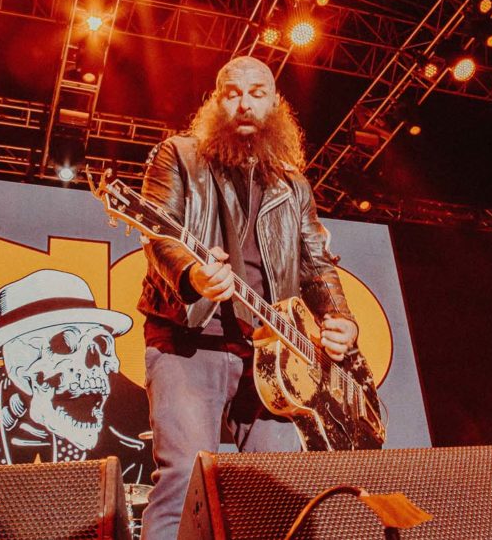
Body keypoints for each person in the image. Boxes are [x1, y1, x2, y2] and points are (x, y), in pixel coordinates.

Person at [136, 55, 366, 539]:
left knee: (273, 488)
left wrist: (340, 317)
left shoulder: (293, 185)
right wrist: (193, 276)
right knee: (184, 477)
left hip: (274, 353)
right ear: (217, 102)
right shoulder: (177, 155)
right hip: (189, 338)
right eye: (233, 93)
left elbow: (317, 265)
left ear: (275, 104)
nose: (245, 103)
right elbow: (159, 233)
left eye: (257, 93)